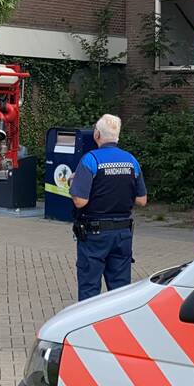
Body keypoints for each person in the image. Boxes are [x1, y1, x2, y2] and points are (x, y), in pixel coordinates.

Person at [69, 114, 147, 302]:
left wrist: (72, 182)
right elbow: (141, 200)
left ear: (97, 134)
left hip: (94, 235)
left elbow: (80, 201)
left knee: (89, 290)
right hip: (122, 234)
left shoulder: (90, 160)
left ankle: (89, 321)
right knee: (120, 292)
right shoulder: (131, 161)